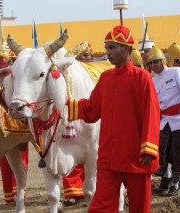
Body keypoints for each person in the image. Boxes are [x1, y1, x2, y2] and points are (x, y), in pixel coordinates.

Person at [67, 25, 160, 212]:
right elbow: (91, 109)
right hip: (109, 156)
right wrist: (64, 103)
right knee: (101, 207)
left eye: (112, 47)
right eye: (106, 47)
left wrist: (148, 147)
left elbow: (152, 112)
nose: (107, 52)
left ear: (126, 49)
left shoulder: (142, 77)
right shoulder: (105, 78)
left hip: (136, 156)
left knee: (140, 208)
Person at [0, 42, 30, 204]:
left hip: (22, 119)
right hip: (2, 121)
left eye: (11, 61)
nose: (8, 64)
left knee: (24, 157)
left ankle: (20, 192)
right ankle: (10, 195)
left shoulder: (24, 79)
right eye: (5, 62)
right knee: (5, 159)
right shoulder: (1, 78)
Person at [62, 41, 94, 206]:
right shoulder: (68, 74)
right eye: (80, 57)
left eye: (86, 55)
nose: (83, 59)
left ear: (92, 57)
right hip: (72, 117)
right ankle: (74, 191)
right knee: (71, 153)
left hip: (91, 117)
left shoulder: (97, 74)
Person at [149, 46, 180, 196]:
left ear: (163, 61)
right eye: (151, 63)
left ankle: (176, 182)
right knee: (163, 151)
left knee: (177, 152)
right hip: (163, 121)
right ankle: (166, 177)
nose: (153, 65)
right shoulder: (152, 80)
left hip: (178, 120)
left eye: (156, 62)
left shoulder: (175, 72)